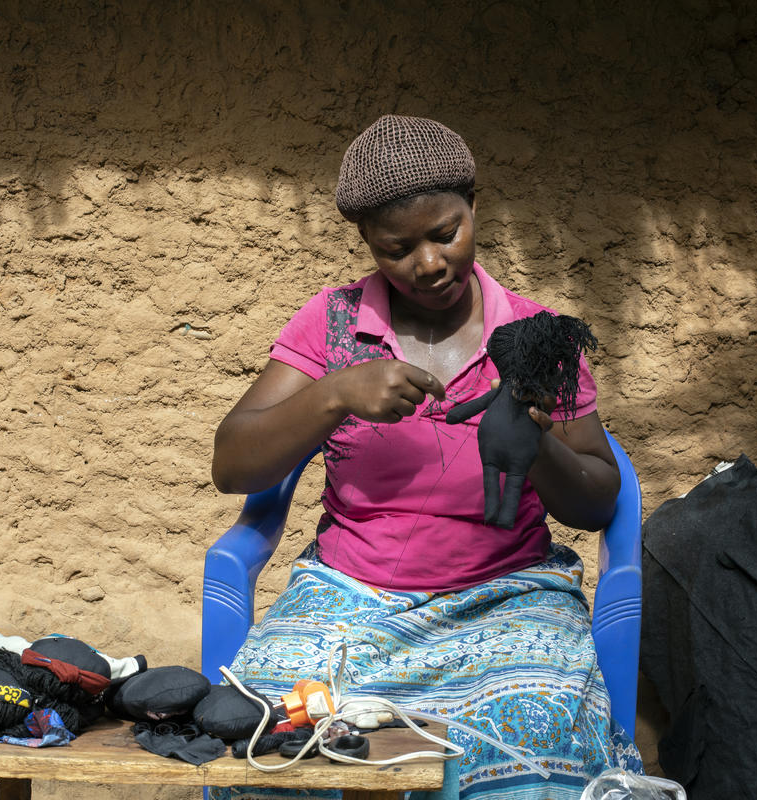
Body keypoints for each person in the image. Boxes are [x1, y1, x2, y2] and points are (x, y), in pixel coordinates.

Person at [211, 115, 641, 799]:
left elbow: (596, 501)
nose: (430, 263)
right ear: (367, 245)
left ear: (475, 206)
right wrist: (334, 394)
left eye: (446, 233)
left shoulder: (536, 336)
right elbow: (232, 464)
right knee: (268, 737)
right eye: (397, 248)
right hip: (349, 598)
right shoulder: (332, 323)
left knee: (540, 744)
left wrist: (537, 446)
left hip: (508, 598)